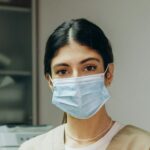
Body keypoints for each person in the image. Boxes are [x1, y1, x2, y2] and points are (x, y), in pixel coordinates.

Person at [19, 18, 150, 150]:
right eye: (63, 71)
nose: (76, 80)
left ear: (108, 73)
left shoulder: (142, 145)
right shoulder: (33, 148)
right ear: (50, 82)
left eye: (89, 68)